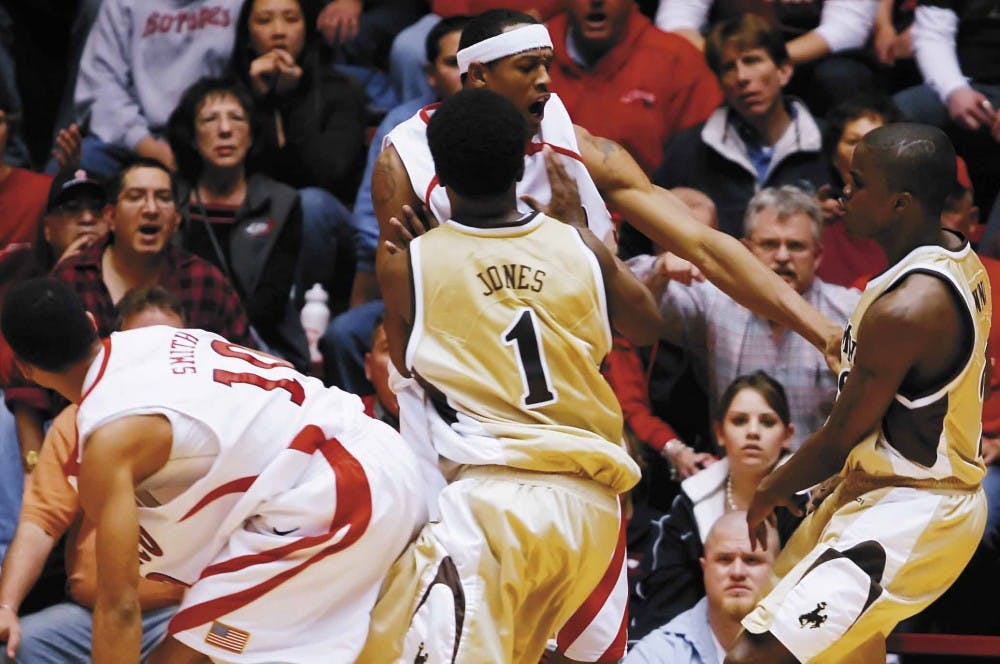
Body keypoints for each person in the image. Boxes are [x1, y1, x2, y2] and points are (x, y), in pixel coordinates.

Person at [360, 88, 663, 663]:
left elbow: (403, 365)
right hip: (593, 507)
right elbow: (647, 325)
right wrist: (589, 245)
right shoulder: (577, 247)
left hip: (495, 504)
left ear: (438, 177)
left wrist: (399, 263)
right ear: (524, 158)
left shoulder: (414, 261)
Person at [376, 9, 842, 371]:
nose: (544, 80)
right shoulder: (408, 161)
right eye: (526, 67)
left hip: (571, 367)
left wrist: (822, 331)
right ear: (477, 75)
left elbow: (704, 246)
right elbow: (400, 322)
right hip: (461, 380)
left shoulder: (574, 144)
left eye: (547, 65)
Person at [0, 277, 427, 662]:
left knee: (199, 653)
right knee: (204, 646)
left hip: (335, 496)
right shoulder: (159, 340)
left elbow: (119, 607)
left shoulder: (109, 440)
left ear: (26, 369)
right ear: (92, 322)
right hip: (384, 456)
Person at [728, 123, 990, 664]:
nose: (843, 194)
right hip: (883, 490)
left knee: (754, 656)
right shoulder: (953, 256)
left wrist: (769, 489)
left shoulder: (910, 307)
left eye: (858, 182)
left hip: (915, 507)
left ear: (900, 203)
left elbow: (840, 434)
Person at [0, 287, 188, 663]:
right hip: (92, 611)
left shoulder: (196, 410)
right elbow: (41, 521)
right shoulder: (82, 422)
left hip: (188, 613)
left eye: (167, 345)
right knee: (15, 647)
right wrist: (6, 606)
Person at [320, 14, 468, 393]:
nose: (465, 73)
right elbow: (373, 231)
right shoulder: (401, 126)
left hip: (482, 281)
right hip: (407, 280)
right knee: (344, 334)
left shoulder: (511, 125)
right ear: (430, 73)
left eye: (472, 61)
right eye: (453, 63)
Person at [659, 186, 859, 451]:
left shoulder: (851, 312)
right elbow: (636, 306)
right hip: (737, 477)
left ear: (818, 256)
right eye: (770, 244)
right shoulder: (715, 301)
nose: (783, 256)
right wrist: (659, 269)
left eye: (796, 246)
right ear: (746, 250)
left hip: (823, 482)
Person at [631, 372, 804, 642]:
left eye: (767, 422)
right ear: (720, 433)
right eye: (739, 421)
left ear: (787, 435)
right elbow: (662, 607)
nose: (753, 431)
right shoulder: (690, 503)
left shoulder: (810, 503)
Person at [229, 0, 368, 313]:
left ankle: (301, 316)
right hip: (253, 214)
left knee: (309, 203)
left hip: (328, 225)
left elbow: (326, 173)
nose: (278, 32)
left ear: (307, 27)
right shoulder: (231, 94)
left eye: (290, 19)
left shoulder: (341, 90)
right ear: (246, 33)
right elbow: (234, 173)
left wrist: (291, 98)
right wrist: (259, 100)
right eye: (264, 20)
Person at [167, 77, 310, 370]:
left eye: (236, 118)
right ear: (192, 137)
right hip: (178, 345)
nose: (224, 130)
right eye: (209, 119)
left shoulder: (281, 202)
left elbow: (271, 300)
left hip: (258, 347)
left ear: (252, 134)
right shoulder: (170, 200)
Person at [653, 13, 831, 238]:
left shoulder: (829, 142)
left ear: (784, 71)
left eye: (752, 61)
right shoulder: (690, 148)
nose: (741, 77)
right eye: (728, 67)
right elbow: (639, 237)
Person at [547, 0, 722, 175]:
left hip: (649, 198)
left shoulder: (679, 60)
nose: (596, 1)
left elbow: (707, 168)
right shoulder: (531, 59)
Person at [72, 0, 245, 177]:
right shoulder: (121, 3)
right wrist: (144, 144)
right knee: (70, 170)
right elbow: (102, 83)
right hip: (134, 139)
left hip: (214, 134)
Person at [654, 0, 879, 118]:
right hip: (729, 51)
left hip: (810, 57)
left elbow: (848, 27)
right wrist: (724, 58)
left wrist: (768, 60)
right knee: (678, 64)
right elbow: (676, 20)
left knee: (841, 76)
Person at [626, 511, 780, 664]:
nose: (737, 572)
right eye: (724, 559)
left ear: (779, 570)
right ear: (704, 568)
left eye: (752, 560)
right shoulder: (657, 656)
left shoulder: (802, 644)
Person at [814, 94, 902, 287]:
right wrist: (808, 219)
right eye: (853, 142)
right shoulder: (816, 223)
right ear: (835, 158)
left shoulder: (913, 219)